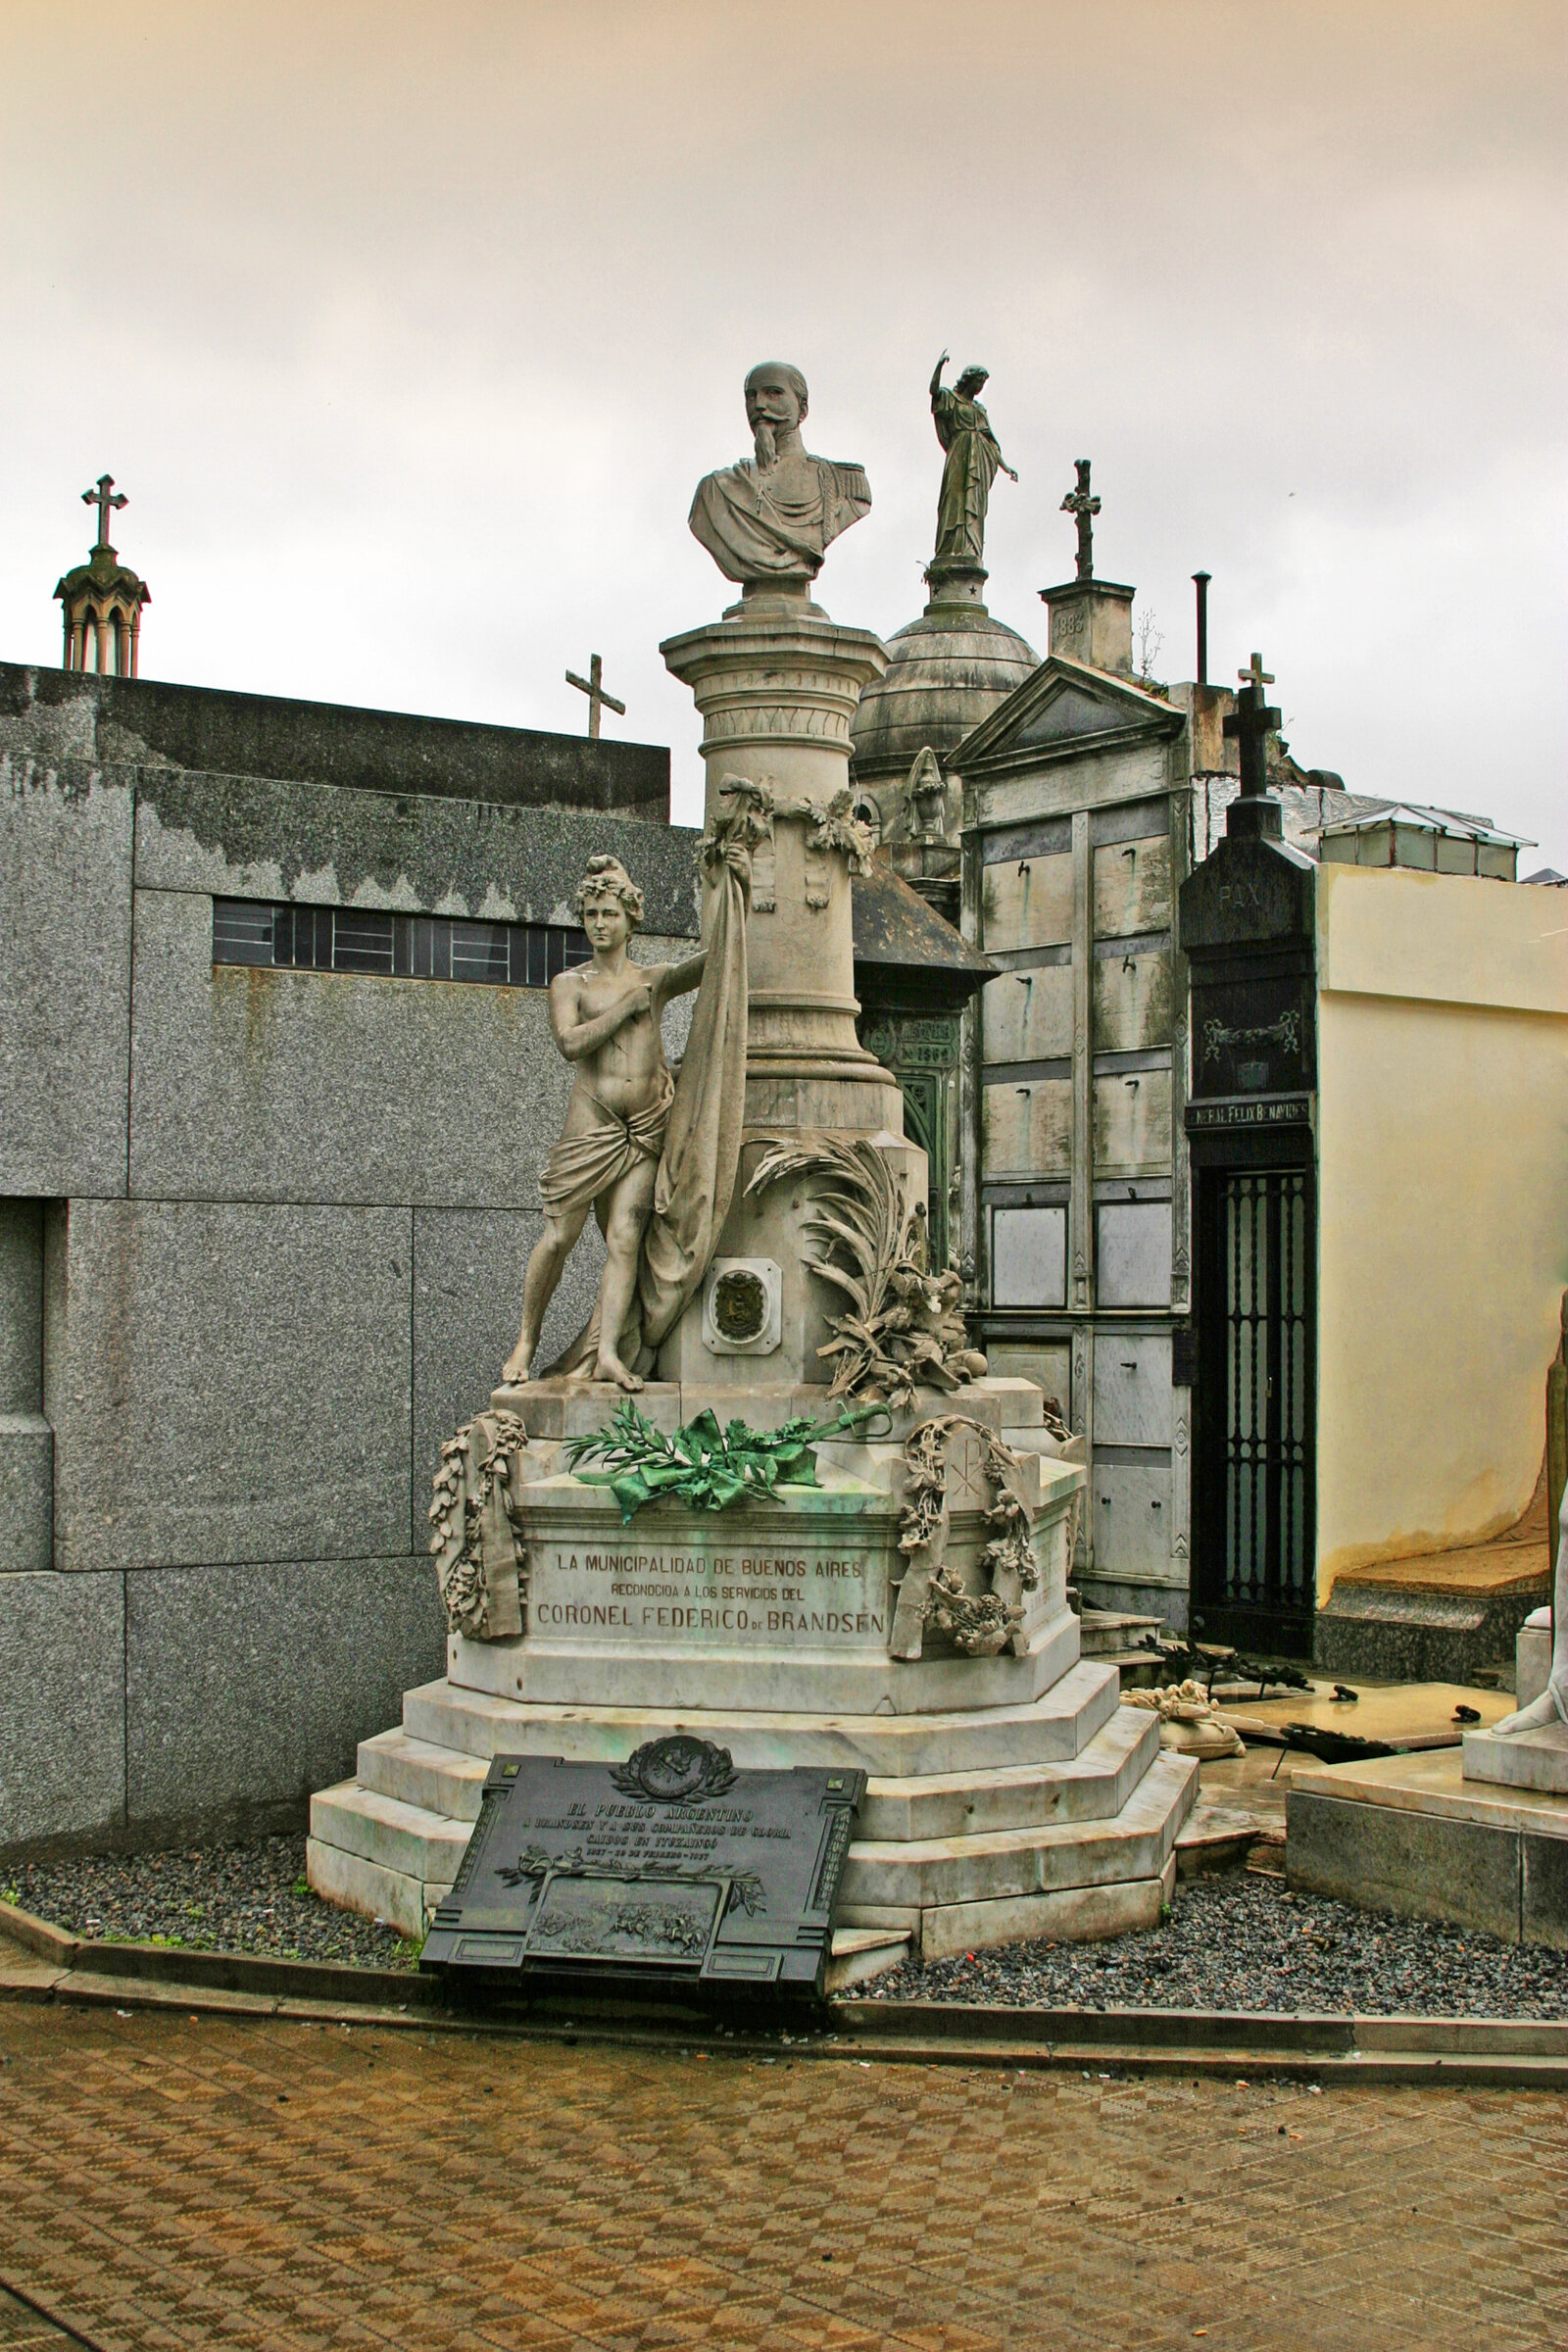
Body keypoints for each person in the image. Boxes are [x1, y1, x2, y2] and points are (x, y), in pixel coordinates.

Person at [504, 845, 747, 1391]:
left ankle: (610, 1353)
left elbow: (715, 964)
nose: (599, 924)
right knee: (558, 1238)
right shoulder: (572, 984)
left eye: (610, 913)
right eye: (590, 914)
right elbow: (569, 1043)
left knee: (625, 1238)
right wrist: (624, 1010)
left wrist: (735, 887)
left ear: (631, 919)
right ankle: (525, 1339)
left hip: (645, 1130)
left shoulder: (654, 978)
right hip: (591, 1126)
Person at [689, 361, 869, 587]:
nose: (760, 405)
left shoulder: (844, 484)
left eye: (773, 393)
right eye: (752, 397)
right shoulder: (715, 490)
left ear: (802, 408)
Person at [929, 352, 1016, 569]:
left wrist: (1005, 467)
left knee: (973, 506)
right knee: (953, 501)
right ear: (969, 379)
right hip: (959, 456)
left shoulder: (979, 409)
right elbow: (934, 392)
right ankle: (949, 549)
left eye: (983, 383)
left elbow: (991, 442)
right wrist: (939, 367)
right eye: (979, 381)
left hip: (978, 459)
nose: (980, 386)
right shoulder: (952, 399)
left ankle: (969, 549)